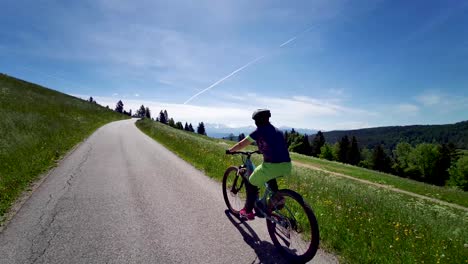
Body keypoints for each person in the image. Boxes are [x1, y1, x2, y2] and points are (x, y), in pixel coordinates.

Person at [226, 109, 292, 220]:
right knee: (269, 177)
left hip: (271, 166)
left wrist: (231, 150)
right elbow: (276, 146)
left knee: (251, 181)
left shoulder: (259, 131)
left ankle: (247, 211)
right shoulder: (278, 131)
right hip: (287, 165)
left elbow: (242, 144)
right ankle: (277, 198)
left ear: (257, 121)